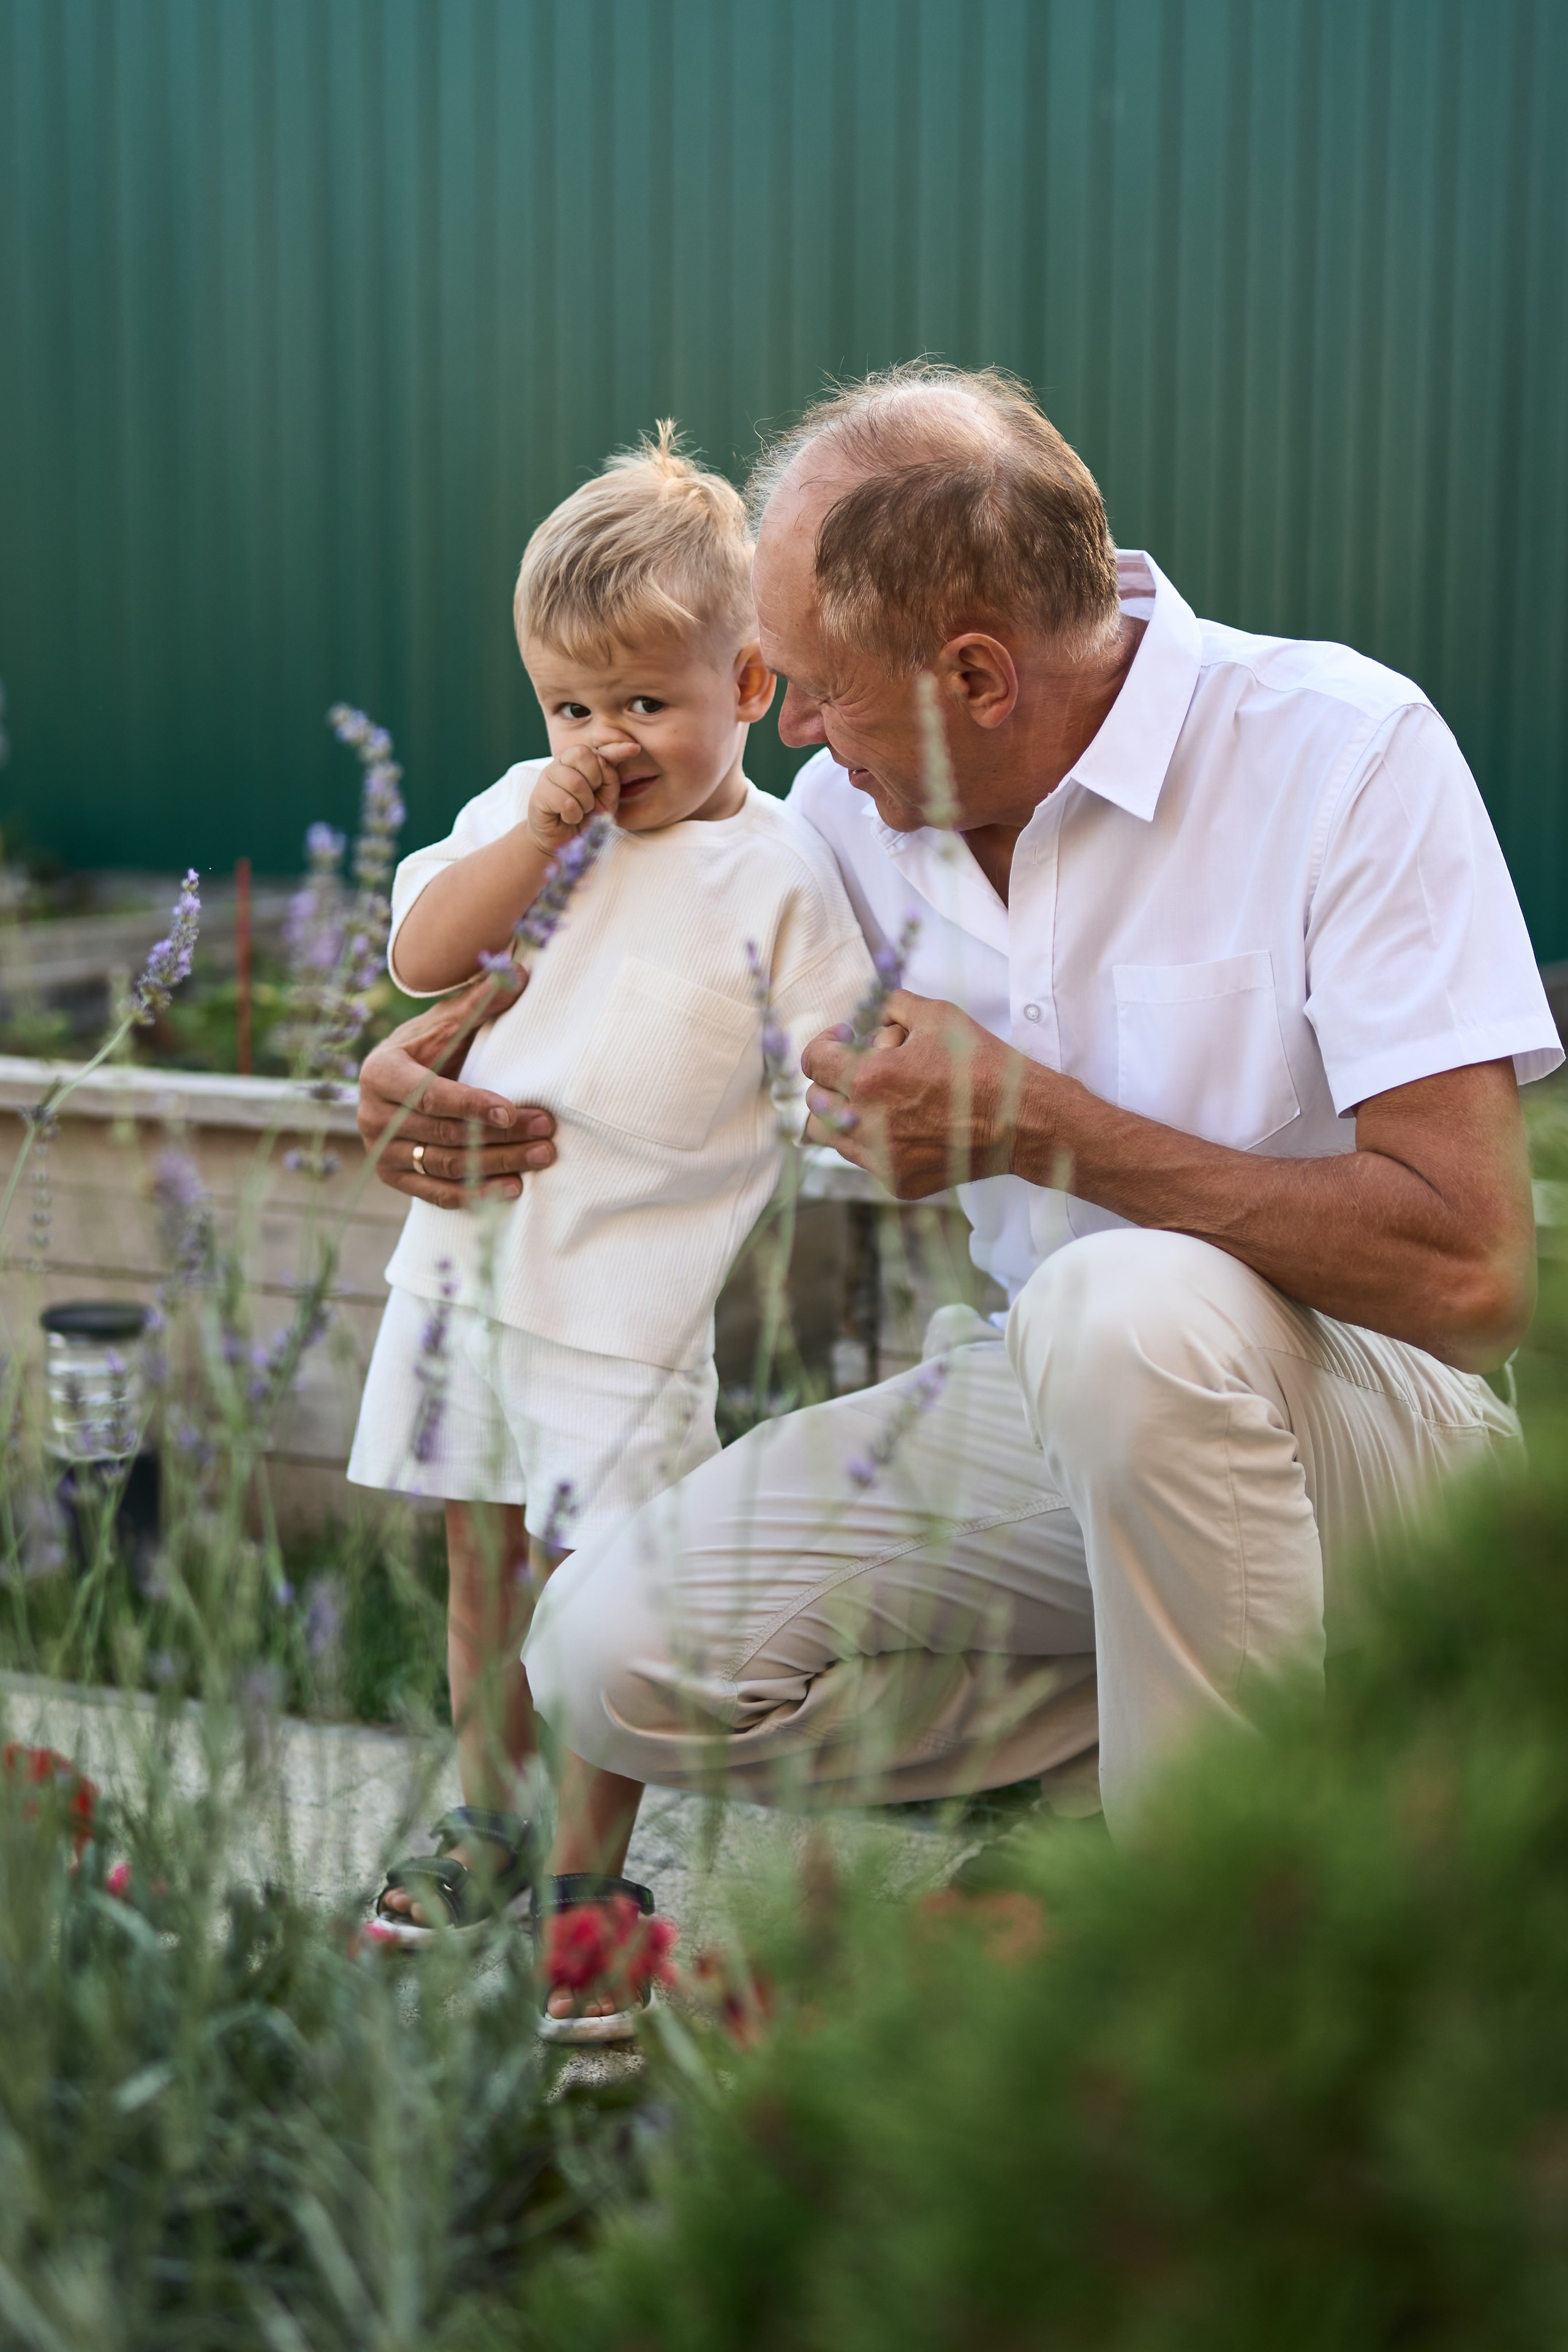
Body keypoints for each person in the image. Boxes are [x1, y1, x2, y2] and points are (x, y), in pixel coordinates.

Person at [358, 362, 1559, 2034]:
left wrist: (1050, 1130)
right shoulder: (849, 815)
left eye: (823, 692)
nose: (788, 730)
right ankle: (1170, 1780)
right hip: (1056, 1412)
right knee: (604, 1649)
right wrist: (413, 1073)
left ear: (977, 676)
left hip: (1369, 1448)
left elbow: (1480, 1275)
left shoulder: (1342, 754)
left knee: (1124, 1303)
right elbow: (627, 925)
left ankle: (1199, 1959)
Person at [347, 425, 873, 1963]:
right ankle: (485, 1818)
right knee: (484, 1578)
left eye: (648, 701)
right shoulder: (526, 813)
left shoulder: (777, 877)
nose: (604, 740)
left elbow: (831, 1084)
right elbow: (421, 956)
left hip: (630, 1324)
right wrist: (534, 828)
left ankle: (587, 1875)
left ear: (751, 687)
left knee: (598, 1608)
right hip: (470, 1281)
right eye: (571, 703)